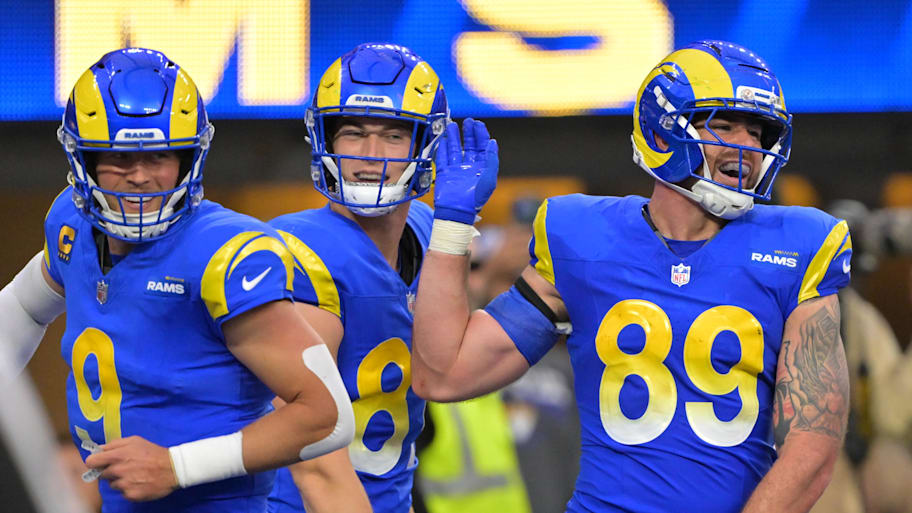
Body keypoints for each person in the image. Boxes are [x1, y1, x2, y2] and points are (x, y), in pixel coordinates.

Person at [411, 40, 851, 513]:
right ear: (661, 132)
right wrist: (453, 223)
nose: (746, 147)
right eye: (723, 125)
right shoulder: (582, 237)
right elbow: (445, 375)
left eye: (757, 132)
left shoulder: (799, 246)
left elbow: (812, 449)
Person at [0, 48, 355, 512]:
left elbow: (328, 415)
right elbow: (25, 307)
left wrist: (177, 466)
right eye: (119, 157)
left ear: (190, 157)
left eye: (159, 155)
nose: (140, 177)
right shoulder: (72, 223)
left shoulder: (223, 255)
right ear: (84, 157)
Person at [264, 43, 454, 513]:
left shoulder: (428, 231)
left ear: (425, 145)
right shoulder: (300, 250)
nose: (371, 156)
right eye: (353, 133)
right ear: (325, 140)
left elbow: (451, 371)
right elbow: (312, 456)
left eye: (394, 135)